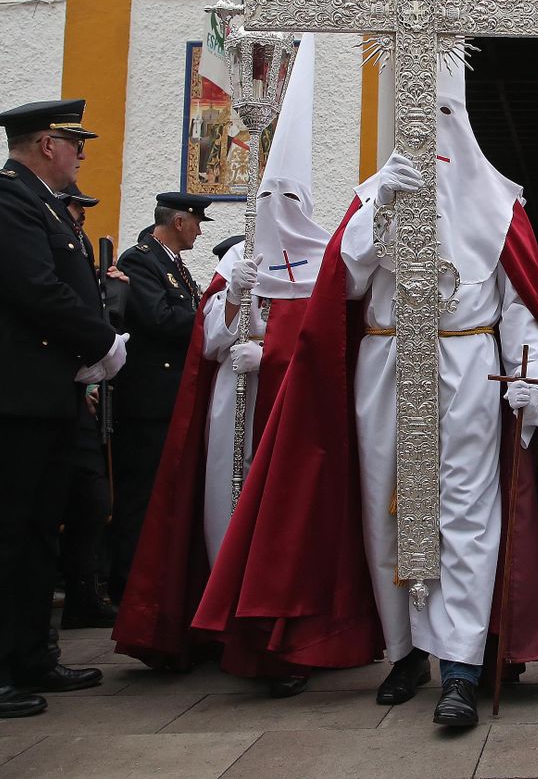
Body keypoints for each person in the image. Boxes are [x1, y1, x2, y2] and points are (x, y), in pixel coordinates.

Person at [194, 53, 538, 730]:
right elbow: (346, 285)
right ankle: (402, 649)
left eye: (445, 118)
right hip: (386, 363)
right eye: (420, 121)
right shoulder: (372, 196)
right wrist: (375, 209)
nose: (434, 137)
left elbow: (521, 307)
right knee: (383, 504)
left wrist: (534, 375)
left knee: (466, 517)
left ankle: (460, 664)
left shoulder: (500, 205)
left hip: (467, 365)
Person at [117, 35, 330, 691]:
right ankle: (216, 620)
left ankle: (269, 632)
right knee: (220, 511)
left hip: (285, 411)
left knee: (278, 522)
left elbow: (327, 340)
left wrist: (274, 350)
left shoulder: (314, 262)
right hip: (229, 410)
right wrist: (234, 309)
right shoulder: (231, 261)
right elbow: (204, 338)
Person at [0, 98, 126, 719]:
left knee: (36, 534)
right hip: (3, 399)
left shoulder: (43, 205)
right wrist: (102, 343)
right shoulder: (2, 199)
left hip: (44, 396)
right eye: (77, 144)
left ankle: (30, 654)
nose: (82, 155)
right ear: (48, 143)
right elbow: (35, 288)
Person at [109, 192, 215, 599]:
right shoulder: (142, 260)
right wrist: (214, 315)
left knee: (162, 491)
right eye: (196, 222)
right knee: (141, 494)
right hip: (149, 397)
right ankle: (127, 584)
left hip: (170, 394)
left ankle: (150, 582)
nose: (200, 231)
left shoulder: (172, 265)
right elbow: (159, 318)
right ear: (178, 222)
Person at [55, 185, 120, 629]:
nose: (81, 218)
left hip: (76, 397)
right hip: (47, 391)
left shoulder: (79, 255)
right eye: (77, 209)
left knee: (92, 502)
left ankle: (84, 592)